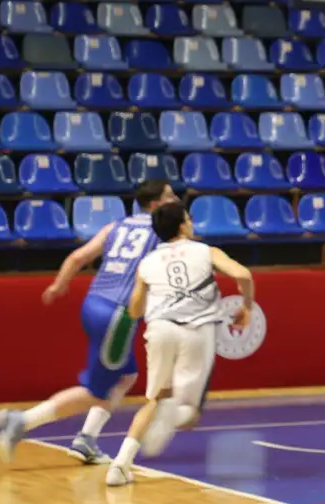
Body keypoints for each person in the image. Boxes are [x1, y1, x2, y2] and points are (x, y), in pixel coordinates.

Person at [0, 179, 178, 465]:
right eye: (170, 197)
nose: (176, 200)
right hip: (118, 315)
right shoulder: (163, 232)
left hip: (93, 304)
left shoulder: (116, 226)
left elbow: (78, 256)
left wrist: (59, 286)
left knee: (125, 376)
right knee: (95, 390)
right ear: (156, 205)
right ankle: (18, 422)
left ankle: (86, 440)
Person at [106, 202, 254, 486]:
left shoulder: (147, 261)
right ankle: (170, 416)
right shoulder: (205, 251)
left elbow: (135, 311)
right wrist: (246, 305)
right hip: (197, 331)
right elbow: (243, 275)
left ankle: (119, 466)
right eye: (188, 218)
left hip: (160, 329)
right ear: (183, 226)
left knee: (153, 400)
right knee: (190, 411)